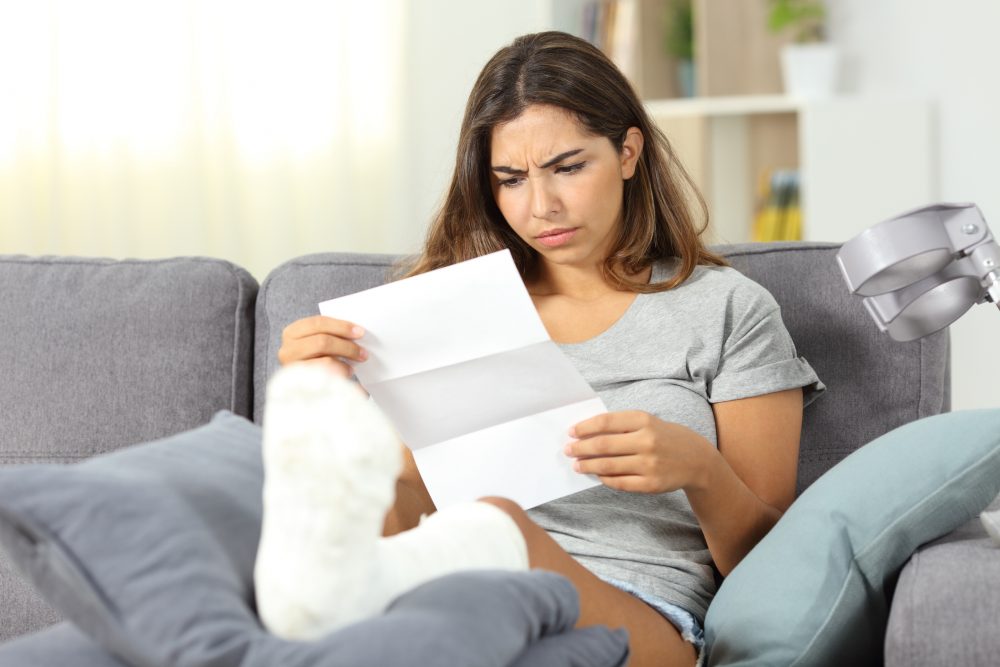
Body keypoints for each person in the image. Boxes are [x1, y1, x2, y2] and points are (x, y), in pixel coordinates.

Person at [254, 31, 823, 667]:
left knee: (495, 530)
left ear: (628, 152)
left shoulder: (728, 309)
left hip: (640, 609)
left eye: (568, 168)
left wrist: (700, 470)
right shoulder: (443, 310)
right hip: (450, 593)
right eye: (510, 179)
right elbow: (406, 507)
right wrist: (323, 405)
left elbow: (776, 569)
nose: (541, 207)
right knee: (249, 487)